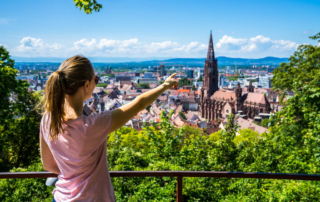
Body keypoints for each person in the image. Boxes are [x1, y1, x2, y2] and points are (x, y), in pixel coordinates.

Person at [39, 55, 178, 202]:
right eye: (96, 80)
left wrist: (73, 173)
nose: (96, 83)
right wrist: (165, 85)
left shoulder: (48, 119)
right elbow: (139, 104)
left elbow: (48, 165)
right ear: (86, 85)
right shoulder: (94, 125)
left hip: (61, 198)